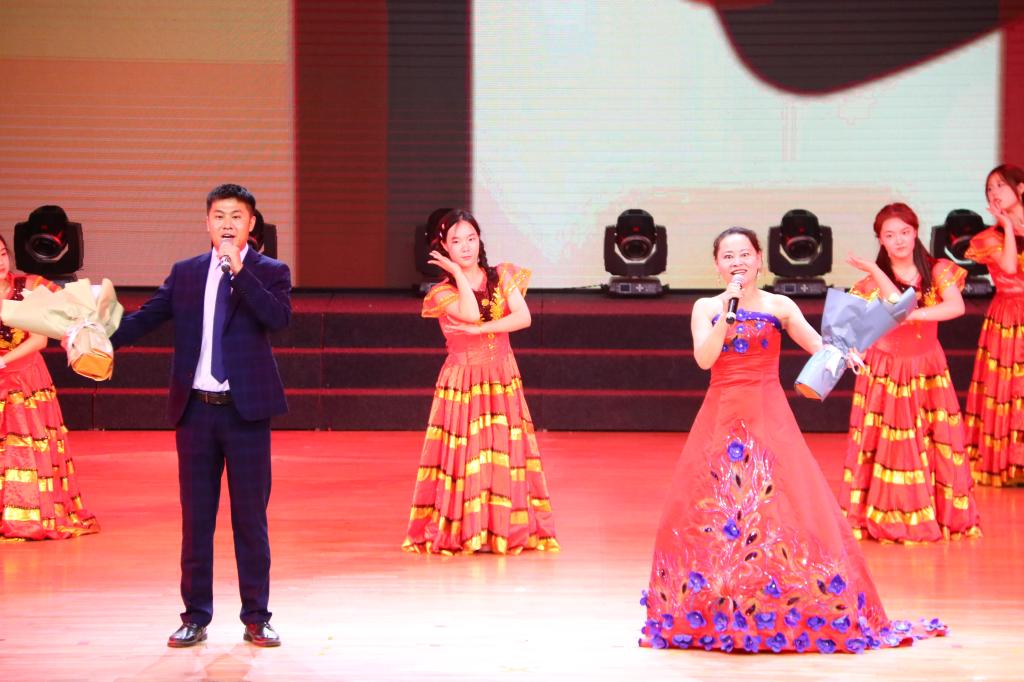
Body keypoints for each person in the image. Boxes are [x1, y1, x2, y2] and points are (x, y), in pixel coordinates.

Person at [641, 227, 944, 654]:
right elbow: (705, 359)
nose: (737, 262)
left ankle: (780, 604)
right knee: (715, 506)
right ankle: (715, 610)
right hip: (721, 414)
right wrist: (727, 315)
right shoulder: (706, 307)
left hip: (768, 413)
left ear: (759, 259)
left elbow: (818, 345)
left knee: (782, 502)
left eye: (744, 254)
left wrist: (844, 353)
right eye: (728, 256)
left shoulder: (779, 305)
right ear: (717, 265)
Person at [111, 184, 290, 647]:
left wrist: (239, 271)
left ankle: (257, 617)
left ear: (251, 224)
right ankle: (195, 615)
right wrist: (94, 338)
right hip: (196, 413)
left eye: (237, 216)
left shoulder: (270, 271)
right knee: (196, 521)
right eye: (219, 216)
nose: (227, 224)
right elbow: (145, 318)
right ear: (207, 223)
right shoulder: (186, 273)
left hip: (246, 413)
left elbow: (277, 318)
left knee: (250, 519)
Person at [402, 208, 558, 555]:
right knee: (469, 455)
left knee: (503, 451)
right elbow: (471, 312)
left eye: (471, 238)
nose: (466, 247)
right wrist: (459, 273)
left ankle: (501, 530)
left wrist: (483, 329)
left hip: (502, 375)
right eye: (456, 241)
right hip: (464, 381)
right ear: (444, 247)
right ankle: (469, 531)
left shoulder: (502, 275)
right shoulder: (441, 293)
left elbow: (523, 317)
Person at [841, 203, 981, 542]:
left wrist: (914, 315)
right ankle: (887, 515)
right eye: (890, 235)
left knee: (934, 441)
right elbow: (862, 330)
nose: (899, 240)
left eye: (904, 232)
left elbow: (955, 306)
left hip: (926, 367)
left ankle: (934, 515)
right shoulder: (870, 283)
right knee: (887, 444)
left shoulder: (937, 270)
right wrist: (853, 350)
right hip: (885, 370)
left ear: (916, 232)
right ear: (880, 239)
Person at [0, 236, 99, 541]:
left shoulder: (28, 286)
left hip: (24, 379)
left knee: (24, 448)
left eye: (2, 253)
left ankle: (28, 515)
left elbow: (40, 339)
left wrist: (2, 362)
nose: (1, 261)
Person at [964, 164, 1024, 486]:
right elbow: (1010, 268)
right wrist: (1007, 226)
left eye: (1000, 186)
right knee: (1009, 390)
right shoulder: (988, 238)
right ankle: (1009, 464)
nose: (994, 193)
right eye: (989, 189)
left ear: (1021, 188)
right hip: (1009, 317)